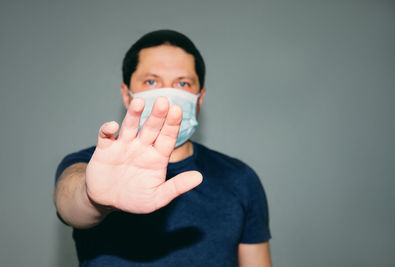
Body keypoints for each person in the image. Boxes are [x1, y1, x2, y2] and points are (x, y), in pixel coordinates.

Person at [54, 29, 272, 266]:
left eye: (182, 83)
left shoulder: (239, 178)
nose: (167, 95)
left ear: (200, 98)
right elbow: (70, 202)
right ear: (127, 95)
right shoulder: (90, 165)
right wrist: (93, 198)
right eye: (151, 81)